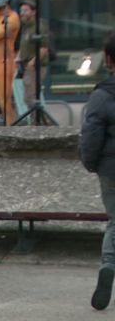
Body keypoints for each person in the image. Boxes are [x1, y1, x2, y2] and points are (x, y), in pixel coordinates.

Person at [80, 30, 115, 311]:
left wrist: (91, 162)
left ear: (107, 58)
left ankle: (109, 264)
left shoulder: (102, 96)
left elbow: (91, 136)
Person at [16, 0, 50, 109]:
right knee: (29, 96)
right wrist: (18, 57)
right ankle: (35, 121)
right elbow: (24, 45)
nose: (22, 13)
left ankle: (37, 122)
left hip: (36, 67)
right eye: (21, 10)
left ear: (34, 12)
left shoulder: (39, 26)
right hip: (27, 66)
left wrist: (32, 62)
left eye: (25, 10)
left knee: (30, 97)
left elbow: (44, 48)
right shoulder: (26, 27)